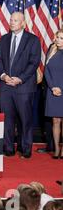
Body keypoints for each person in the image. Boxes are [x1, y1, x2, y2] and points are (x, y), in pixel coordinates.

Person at [0, 12, 41, 158]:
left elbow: (34, 62)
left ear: (23, 23)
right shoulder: (3, 39)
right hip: (6, 87)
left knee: (25, 119)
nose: (12, 22)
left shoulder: (33, 40)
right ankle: (8, 148)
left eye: (15, 20)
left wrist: (19, 79)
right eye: (11, 20)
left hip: (24, 87)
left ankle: (25, 149)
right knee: (7, 119)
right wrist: (3, 75)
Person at [44, 30, 63, 159]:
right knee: (55, 120)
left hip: (62, 90)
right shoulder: (52, 50)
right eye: (57, 37)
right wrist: (52, 87)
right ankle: (56, 148)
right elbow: (46, 71)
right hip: (53, 90)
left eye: (61, 38)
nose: (58, 39)